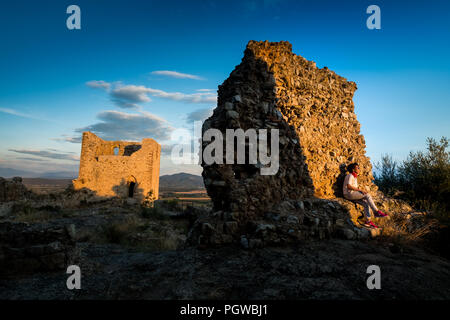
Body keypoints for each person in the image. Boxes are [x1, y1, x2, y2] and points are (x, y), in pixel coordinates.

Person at [343, 162, 388, 228]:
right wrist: (360, 190)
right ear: (353, 169)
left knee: (366, 204)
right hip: (348, 194)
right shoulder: (350, 175)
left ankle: (368, 221)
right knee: (367, 195)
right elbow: (349, 186)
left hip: (352, 194)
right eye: (357, 168)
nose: (359, 169)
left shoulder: (354, 177)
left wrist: (360, 193)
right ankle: (376, 212)